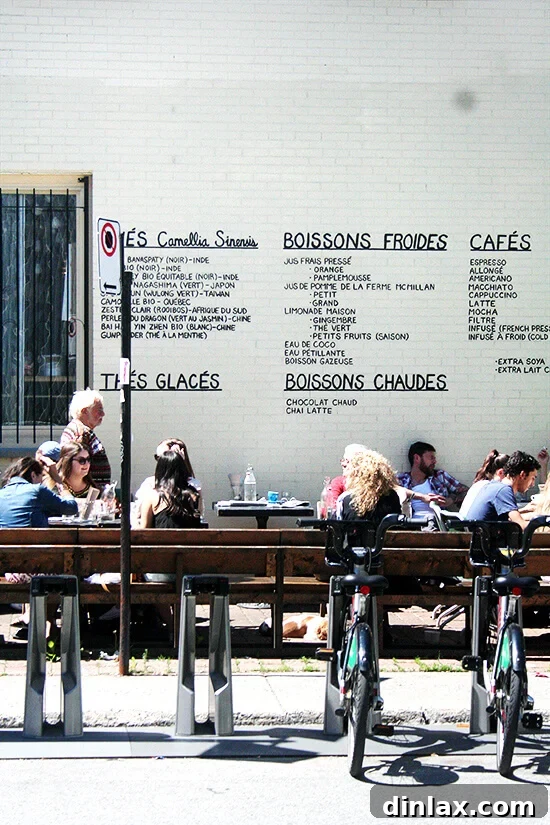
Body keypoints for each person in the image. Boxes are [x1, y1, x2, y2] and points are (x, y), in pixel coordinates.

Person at [327, 442, 445, 514]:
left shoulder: (382, 489)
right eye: (344, 460)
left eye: (347, 461)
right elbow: (332, 507)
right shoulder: (339, 484)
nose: (343, 464)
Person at [466, 451, 540, 529]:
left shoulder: (493, 486)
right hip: (485, 540)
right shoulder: (504, 491)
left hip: (476, 538)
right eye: (533, 478)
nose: (533, 484)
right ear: (522, 475)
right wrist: (543, 524)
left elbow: (510, 519)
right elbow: (520, 525)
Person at [0, 456, 77, 527]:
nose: (42, 481)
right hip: (35, 541)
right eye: (42, 476)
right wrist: (58, 479)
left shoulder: (1, 493)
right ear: (33, 475)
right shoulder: (37, 490)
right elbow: (71, 508)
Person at [397, 441, 468, 515]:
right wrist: (422, 497)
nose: (435, 461)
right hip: (411, 525)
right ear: (417, 458)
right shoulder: (402, 480)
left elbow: (466, 492)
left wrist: (450, 500)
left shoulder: (439, 476)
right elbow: (392, 488)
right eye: (431, 458)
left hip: (437, 523)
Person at [61, 388, 111, 488]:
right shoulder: (80, 433)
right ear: (84, 411)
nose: (103, 414)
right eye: (99, 410)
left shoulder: (80, 431)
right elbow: (76, 467)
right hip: (86, 496)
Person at [337, 449, 401, 527]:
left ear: (356, 474)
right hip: (385, 539)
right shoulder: (392, 497)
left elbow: (337, 531)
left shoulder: (346, 500)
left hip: (357, 539)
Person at [139, 451, 201, 529]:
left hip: (160, 540)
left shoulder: (152, 496)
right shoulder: (194, 494)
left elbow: (144, 530)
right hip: (190, 540)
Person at [459, 449, 509, 518]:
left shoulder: (480, 484)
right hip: (476, 526)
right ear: (501, 472)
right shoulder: (494, 489)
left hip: (464, 524)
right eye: (511, 474)